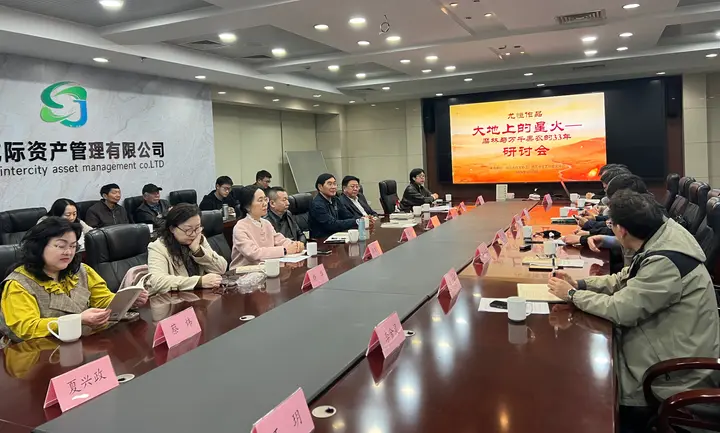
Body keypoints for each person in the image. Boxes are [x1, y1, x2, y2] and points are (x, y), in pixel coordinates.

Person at [548, 191, 720, 431]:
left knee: (586, 378)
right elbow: (625, 279)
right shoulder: (663, 237)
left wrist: (572, 295)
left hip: (675, 372)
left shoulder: (665, 261)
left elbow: (621, 310)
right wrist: (581, 284)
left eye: (610, 224)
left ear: (621, 230)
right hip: (668, 344)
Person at [0, 218, 148, 342]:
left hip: (82, 343)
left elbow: (102, 299)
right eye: (60, 246)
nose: (68, 252)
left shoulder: (81, 270)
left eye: (72, 246)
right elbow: (26, 328)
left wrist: (127, 300)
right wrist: (78, 319)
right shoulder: (18, 284)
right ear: (38, 247)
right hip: (35, 354)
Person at [147, 204, 227, 294]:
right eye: (188, 230)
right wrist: (199, 282)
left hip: (199, 296)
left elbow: (221, 268)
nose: (193, 234)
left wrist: (198, 251)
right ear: (172, 228)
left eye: (197, 228)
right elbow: (158, 282)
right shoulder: (158, 247)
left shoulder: (198, 238)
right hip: (175, 299)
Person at [230, 186, 303, 269]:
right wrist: (284, 250)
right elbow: (253, 253)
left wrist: (295, 245)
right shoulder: (240, 227)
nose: (265, 204)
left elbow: (279, 240)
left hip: (267, 268)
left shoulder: (266, 223)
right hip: (245, 272)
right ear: (247, 206)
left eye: (265, 199)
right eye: (260, 200)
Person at [309, 173, 359, 239]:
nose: (333, 187)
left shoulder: (335, 199)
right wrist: (356, 221)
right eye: (330, 184)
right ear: (320, 187)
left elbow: (348, 216)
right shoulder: (317, 204)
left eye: (335, 184)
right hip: (322, 240)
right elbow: (332, 224)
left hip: (337, 236)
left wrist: (360, 220)